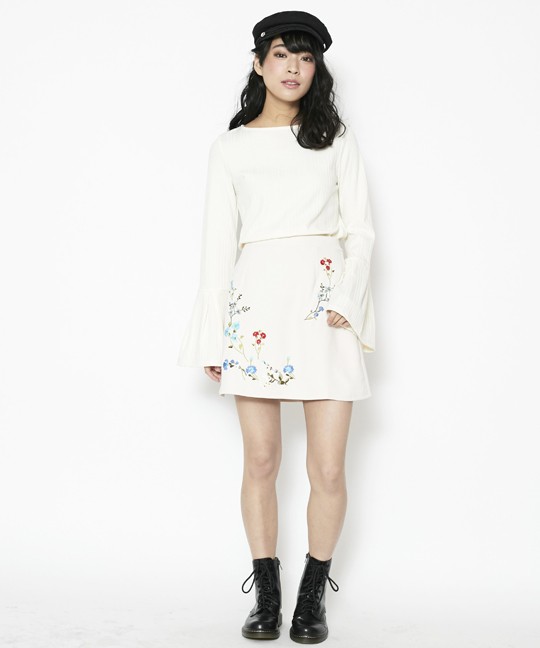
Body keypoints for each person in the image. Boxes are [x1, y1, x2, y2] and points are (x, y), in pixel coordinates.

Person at [176, 10, 376, 644]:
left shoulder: (335, 139)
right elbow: (216, 245)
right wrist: (213, 333)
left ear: (317, 69)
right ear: (259, 63)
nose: (294, 68)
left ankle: (312, 595)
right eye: (283, 55)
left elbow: (361, 230)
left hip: (325, 308)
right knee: (261, 460)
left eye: (306, 57)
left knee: (329, 469)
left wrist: (347, 299)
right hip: (257, 308)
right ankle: (267, 591)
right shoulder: (230, 148)